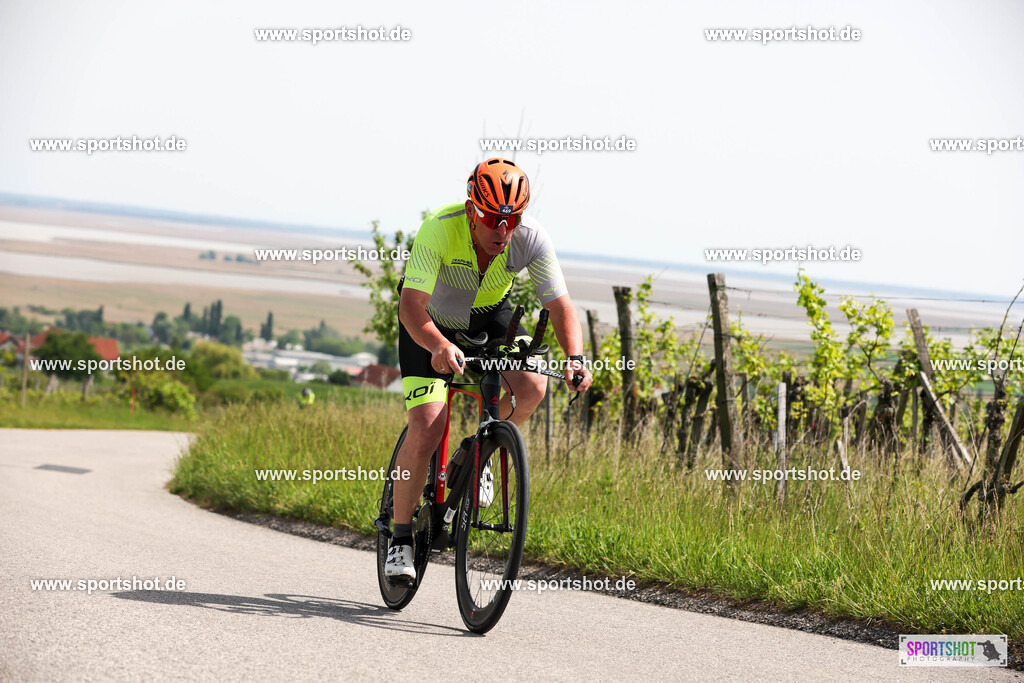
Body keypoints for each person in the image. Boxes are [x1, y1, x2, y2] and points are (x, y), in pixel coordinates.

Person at [385, 157, 594, 582]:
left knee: (533, 385)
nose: (502, 229)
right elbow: (410, 307)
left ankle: (479, 456)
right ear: (471, 211)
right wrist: (438, 345)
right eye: (492, 218)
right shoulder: (439, 228)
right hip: (429, 324)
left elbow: (560, 306)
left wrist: (575, 357)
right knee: (427, 427)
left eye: (511, 219)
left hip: (489, 317)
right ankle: (401, 537)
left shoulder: (531, 237)